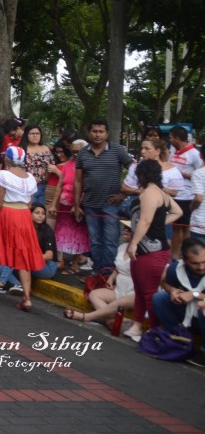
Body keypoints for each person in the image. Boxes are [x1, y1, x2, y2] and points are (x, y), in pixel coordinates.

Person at [0, 146, 42, 312]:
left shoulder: (3, 175)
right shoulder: (31, 178)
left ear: (8, 159)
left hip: (7, 214)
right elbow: (30, 203)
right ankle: (27, 298)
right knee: (23, 254)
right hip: (24, 215)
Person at [127, 159, 183, 331]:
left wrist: (134, 243)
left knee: (148, 292)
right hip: (149, 248)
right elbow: (177, 211)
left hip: (151, 250)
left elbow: (145, 220)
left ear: (142, 174)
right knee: (140, 290)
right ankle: (137, 325)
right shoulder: (160, 192)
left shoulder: (151, 192)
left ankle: (153, 330)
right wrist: (160, 223)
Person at [74, 119, 134, 274]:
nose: (97, 135)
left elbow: (134, 170)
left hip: (111, 204)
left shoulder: (118, 150)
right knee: (95, 241)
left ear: (107, 134)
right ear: (89, 133)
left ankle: (109, 273)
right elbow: (78, 181)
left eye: (101, 132)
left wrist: (123, 193)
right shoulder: (82, 153)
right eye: (94, 131)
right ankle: (97, 271)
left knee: (110, 240)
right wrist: (77, 205)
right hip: (89, 204)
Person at [63, 223, 138, 335]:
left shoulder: (142, 252)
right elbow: (118, 267)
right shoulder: (122, 247)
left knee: (120, 302)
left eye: (129, 229)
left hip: (135, 291)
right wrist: (111, 278)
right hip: (119, 288)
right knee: (94, 294)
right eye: (125, 228)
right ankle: (110, 320)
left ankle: (87, 317)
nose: (126, 231)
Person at [0, 204, 57, 294]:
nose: (40, 216)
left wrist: (29, 258)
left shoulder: (47, 230)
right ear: (29, 214)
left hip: (47, 266)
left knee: (18, 256)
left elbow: (49, 255)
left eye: (43, 214)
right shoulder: (24, 228)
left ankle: (0, 283)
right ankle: (18, 285)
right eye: (37, 213)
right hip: (28, 262)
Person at [46, 144, 88, 275]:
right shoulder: (68, 165)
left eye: (79, 151)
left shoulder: (88, 165)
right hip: (63, 205)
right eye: (74, 151)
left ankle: (75, 264)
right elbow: (59, 186)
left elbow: (86, 189)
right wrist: (53, 204)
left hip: (78, 206)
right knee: (61, 232)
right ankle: (61, 260)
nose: (76, 154)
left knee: (78, 234)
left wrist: (77, 205)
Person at [151, 238, 205, 335]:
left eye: (204, 262)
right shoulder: (176, 268)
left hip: (201, 315)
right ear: (184, 260)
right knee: (159, 298)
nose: (201, 267)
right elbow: (165, 284)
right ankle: (177, 336)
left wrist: (194, 295)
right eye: (195, 263)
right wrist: (172, 291)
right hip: (186, 312)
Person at [168, 126, 202, 259]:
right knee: (176, 229)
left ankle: (187, 256)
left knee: (185, 228)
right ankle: (175, 258)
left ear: (177, 138)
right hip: (174, 195)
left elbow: (200, 174)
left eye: (171, 137)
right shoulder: (173, 151)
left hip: (187, 196)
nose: (170, 140)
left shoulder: (193, 153)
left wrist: (183, 175)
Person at [21, 126, 53, 207]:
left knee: (42, 211)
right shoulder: (22, 149)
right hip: (28, 186)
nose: (35, 136)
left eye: (37, 133)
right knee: (31, 210)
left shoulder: (45, 148)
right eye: (32, 133)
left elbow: (52, 164)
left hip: (44, 185)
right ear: (26, 135)